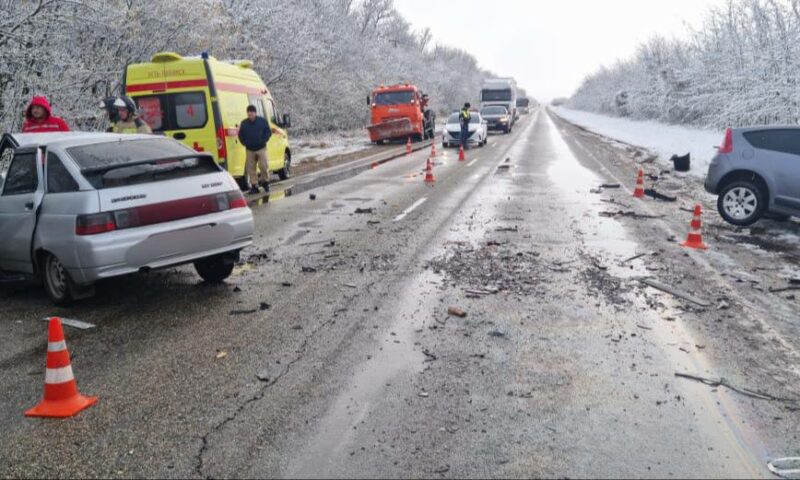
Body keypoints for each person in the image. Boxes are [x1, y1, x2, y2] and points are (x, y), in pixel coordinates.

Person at [238, 105, 272, 195]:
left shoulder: (262, 121)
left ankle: (265, 182)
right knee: (251, 169)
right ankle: (254, 186)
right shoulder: (244, 123)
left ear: (255, 113)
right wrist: (244, 142)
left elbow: (268, 132)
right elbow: (240, 135)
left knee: (264, 166)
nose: (250, 115)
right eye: (249, 113)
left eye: (252, 113)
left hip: (261, 148)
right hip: (250, 149)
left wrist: (263, 140)